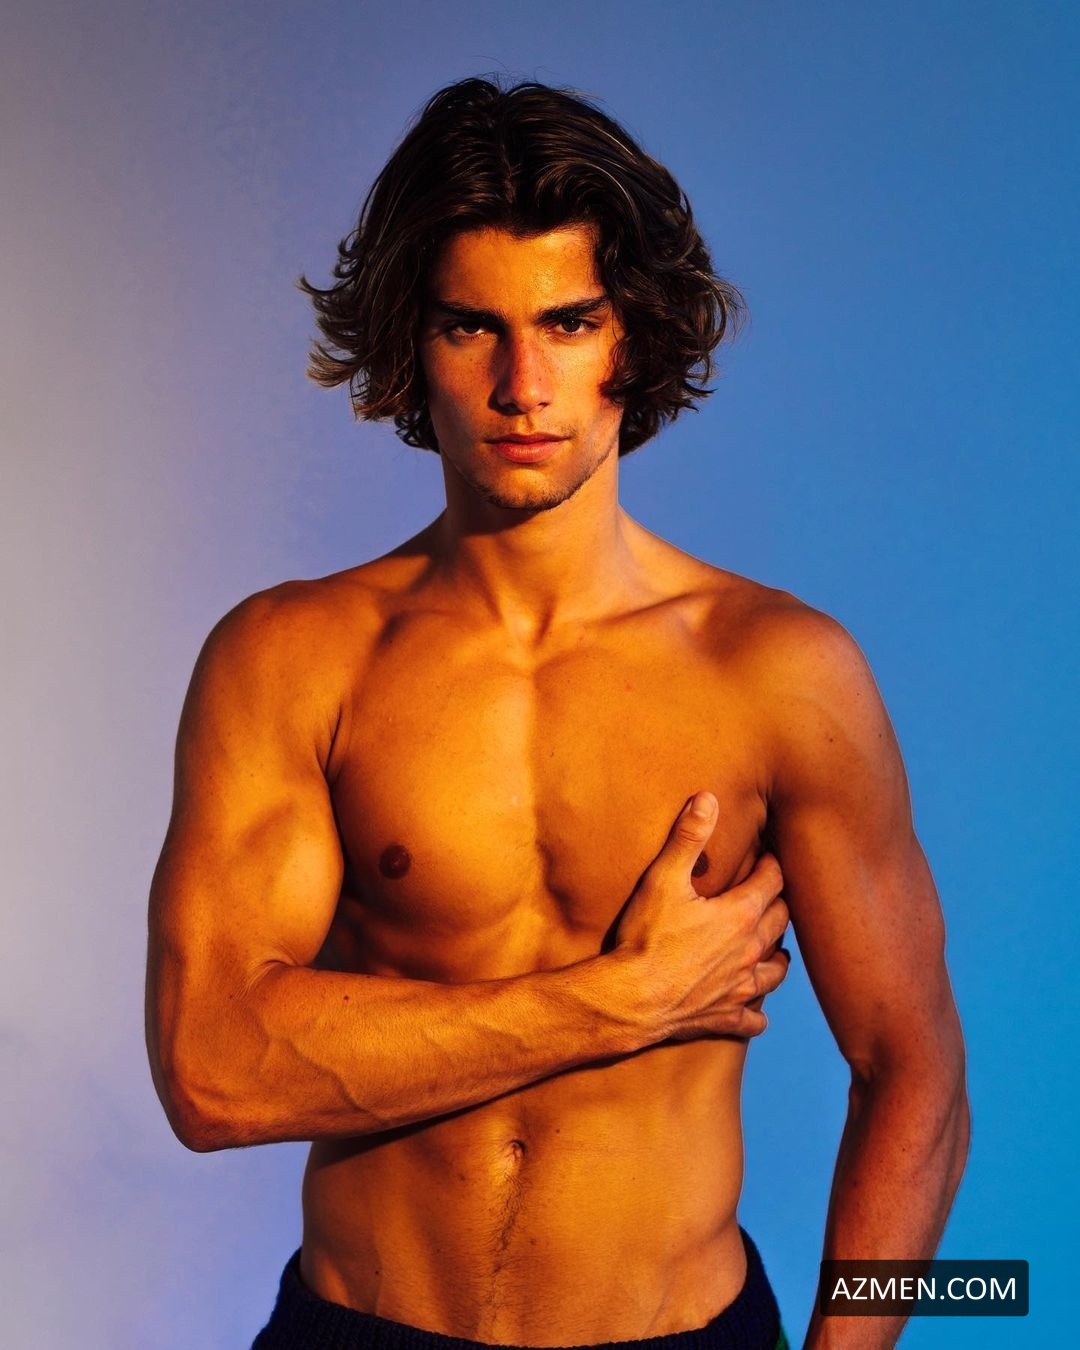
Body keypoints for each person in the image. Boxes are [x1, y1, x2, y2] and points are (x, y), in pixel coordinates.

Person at [145, 78, 969, 1350]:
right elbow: (210, 1073)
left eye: (570, 323)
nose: (523, 385)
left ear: (633, 337)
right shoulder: (293, 660)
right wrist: (621, 1002)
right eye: (472, 327)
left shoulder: (781, 672)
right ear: (411, 344)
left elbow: (914, 1072)